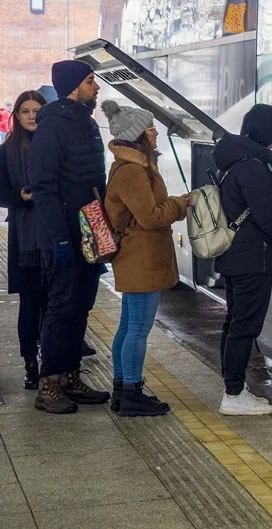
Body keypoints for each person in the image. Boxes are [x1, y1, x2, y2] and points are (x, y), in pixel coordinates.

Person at [28, 60, 110, 414]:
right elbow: (44, 187)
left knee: (81, 305)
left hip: (90, 232)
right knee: (61, 307)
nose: (97, 88)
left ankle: (70, 375)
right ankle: (49, 385)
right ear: (74, 86)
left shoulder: (87, 124)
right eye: (91, 81)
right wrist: (59, 238)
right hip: (63, 235)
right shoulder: (53, 128)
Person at [102, 100, 190, 417]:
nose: (155, 133)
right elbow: (151, 216)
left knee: (128, 327)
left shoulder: (134, 167)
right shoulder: (132, 173)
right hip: (140, 258)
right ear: (139, 134)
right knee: (138, 329)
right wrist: (181, 203)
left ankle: (122, 391)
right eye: (151, 128)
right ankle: (131, 394)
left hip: (140, 256)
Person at [213, 104, 272, 416]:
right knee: (244, 326)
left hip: (235, 254)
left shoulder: (233, 160)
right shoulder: (253, 166)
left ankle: (232, 387)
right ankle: (233, 394)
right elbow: (268, 215)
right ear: (267, 134)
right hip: (251, 258)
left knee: (234, 322)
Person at [0, 91, 47, 389]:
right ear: (16, 116)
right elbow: (1, 192)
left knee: (53, 302)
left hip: (54, 235)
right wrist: (21, 196)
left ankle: (53, 362)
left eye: (36, 111)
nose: (31, 116)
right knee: (30, 303)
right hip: (25, 239)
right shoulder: (7, 150)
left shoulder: (52, 145)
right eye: (25, 111)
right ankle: (31, 363)